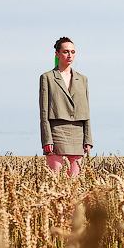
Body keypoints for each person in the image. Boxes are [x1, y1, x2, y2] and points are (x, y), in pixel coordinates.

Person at [39, 36, 92, 176]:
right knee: (54, 180)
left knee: (75, 182)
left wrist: (88, 139)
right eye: (66, 52)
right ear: (57, 54)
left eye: (73, 52)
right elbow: (44, 111)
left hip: (78, 133)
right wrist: (47, 139)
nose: (70, 55)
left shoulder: (83, 79)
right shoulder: (47, 77)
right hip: (56, 132)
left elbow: (86, 110)